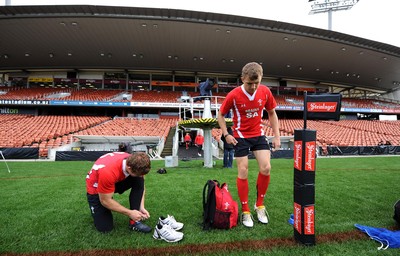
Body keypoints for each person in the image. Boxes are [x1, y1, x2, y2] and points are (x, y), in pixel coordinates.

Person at [217, 62, 281, 228]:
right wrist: (226, 134)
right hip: (240, 136)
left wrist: (277, 136)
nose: (253, 87)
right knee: (243, 170)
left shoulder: (265, 91)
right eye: (249, 83)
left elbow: (272, 113)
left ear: (261, 79)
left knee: (266, 168)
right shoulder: (233, 95)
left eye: (256, 83)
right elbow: (221, 115)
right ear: (242, 79)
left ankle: (259, 205)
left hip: (258, 134)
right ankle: (245, 211)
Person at [86, 152, 152, 233]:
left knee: (139, 180)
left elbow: (140, 185)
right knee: (105, 228)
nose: (141, 176)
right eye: (138, 174)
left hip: (113, 179)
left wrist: (141, 207)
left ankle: (134, 222)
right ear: (129, 167)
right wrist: (129, 213)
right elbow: (105, 201)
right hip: (96, 188)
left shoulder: (135, 161)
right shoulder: (108, 172)